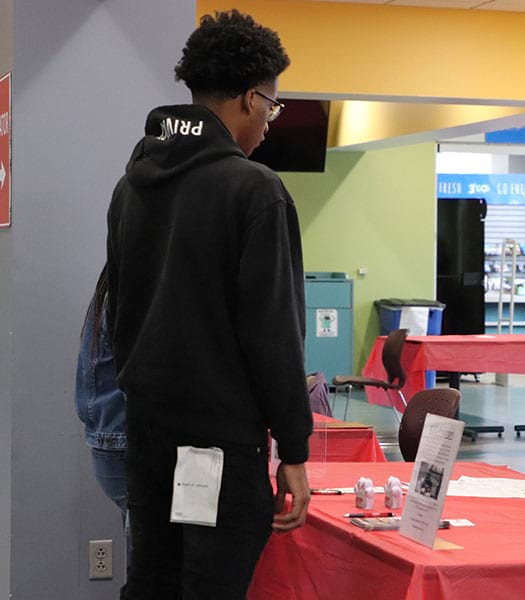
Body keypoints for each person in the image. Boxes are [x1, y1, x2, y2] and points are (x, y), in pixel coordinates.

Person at [105, 10, 313, 599]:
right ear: (249, 99)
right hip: (221, 447)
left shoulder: (131, 186)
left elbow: (120, 311)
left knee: (151, 584)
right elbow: (273, 333)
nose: (271, 122)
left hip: (145, 434)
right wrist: (293, 450)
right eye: (272, 106)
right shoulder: (255, 190)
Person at [75, 264, 128, 525]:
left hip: (107, 439)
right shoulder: (133, 285)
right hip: (123, 440)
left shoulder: (112, 279)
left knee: (146, 549)